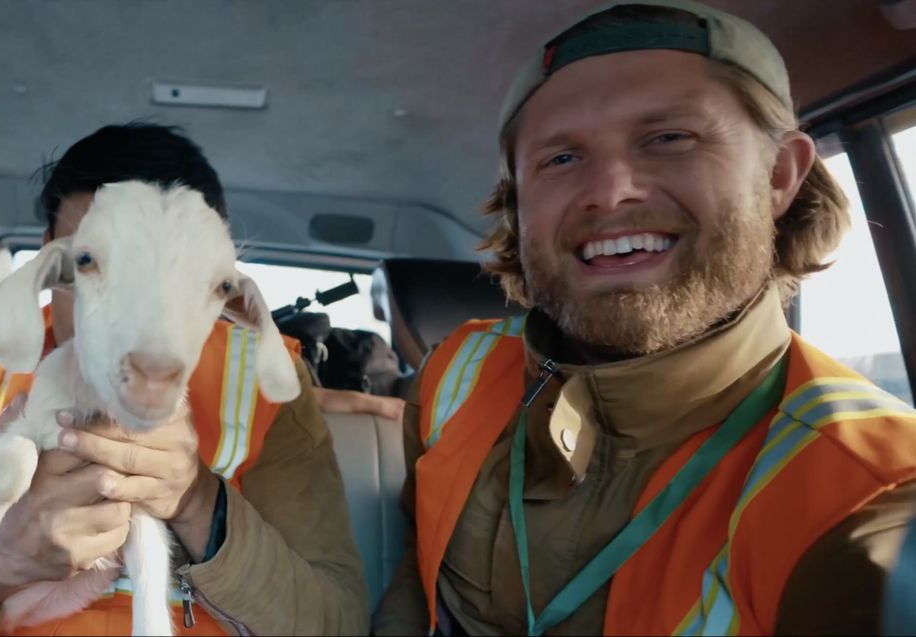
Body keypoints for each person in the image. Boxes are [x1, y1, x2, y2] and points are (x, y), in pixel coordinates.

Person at [372, 1, 916, 635]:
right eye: (561, 159)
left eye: (668, 139)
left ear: (779, 175)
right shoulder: (457, 369)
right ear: (519, 208)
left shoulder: (873, 494)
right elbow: (412, 586)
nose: (610, 191)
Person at [0, 123, 369, 636]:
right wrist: (1, 559)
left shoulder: (263, 387)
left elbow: (336, 623)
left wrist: (199, 502)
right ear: (52, 260)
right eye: (92, 264)